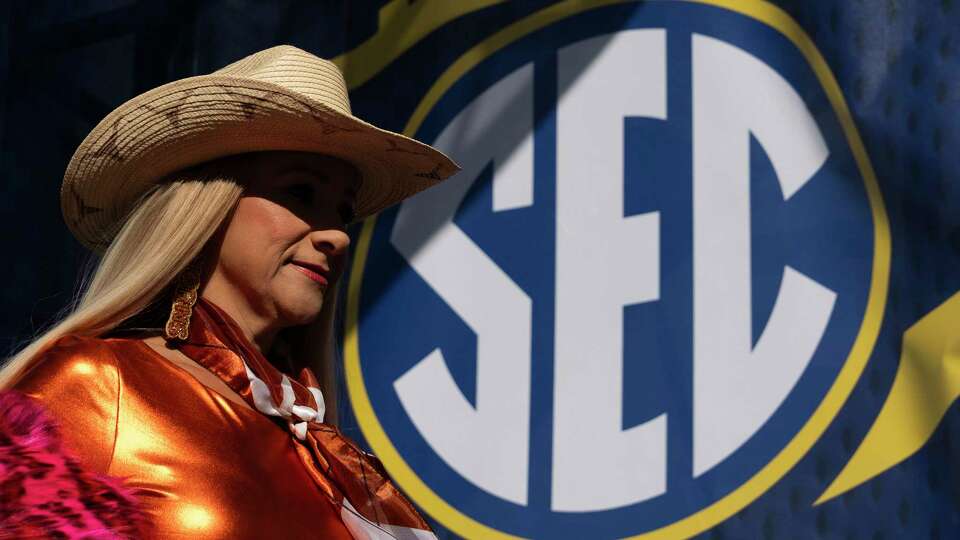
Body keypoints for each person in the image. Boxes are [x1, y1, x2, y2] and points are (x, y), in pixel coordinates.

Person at [0, 45, 458, 538]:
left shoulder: (327, 458)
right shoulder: (96, 384)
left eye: (342, 212)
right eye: (300, 192)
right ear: (207, 207)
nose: (338, 235)